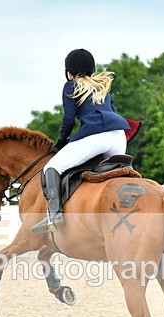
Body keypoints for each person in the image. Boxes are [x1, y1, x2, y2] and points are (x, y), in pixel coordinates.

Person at [31, 48, 131, 234]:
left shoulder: (71, 86)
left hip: (97, 137)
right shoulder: (103, 88)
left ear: (69, 72)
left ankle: (54, 215)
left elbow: (69, 120)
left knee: (51, 167)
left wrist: (62, 141)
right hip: (119, 137)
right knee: (117, 174)